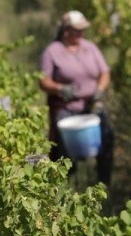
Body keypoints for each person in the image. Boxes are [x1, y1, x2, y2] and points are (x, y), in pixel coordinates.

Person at [38, 10, 113, 185]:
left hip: (90, 104)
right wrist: (59, 88)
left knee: (107, 138)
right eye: (76, 30)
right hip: (66, 107)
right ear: (66, 30)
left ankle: (103, 183)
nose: (81, 34)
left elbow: (105, 72)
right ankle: (63, 187)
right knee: (63, 151)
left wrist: (99, 90)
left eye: (82, 30)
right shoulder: (52, 52)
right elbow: (43, 81)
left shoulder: (90, 48)